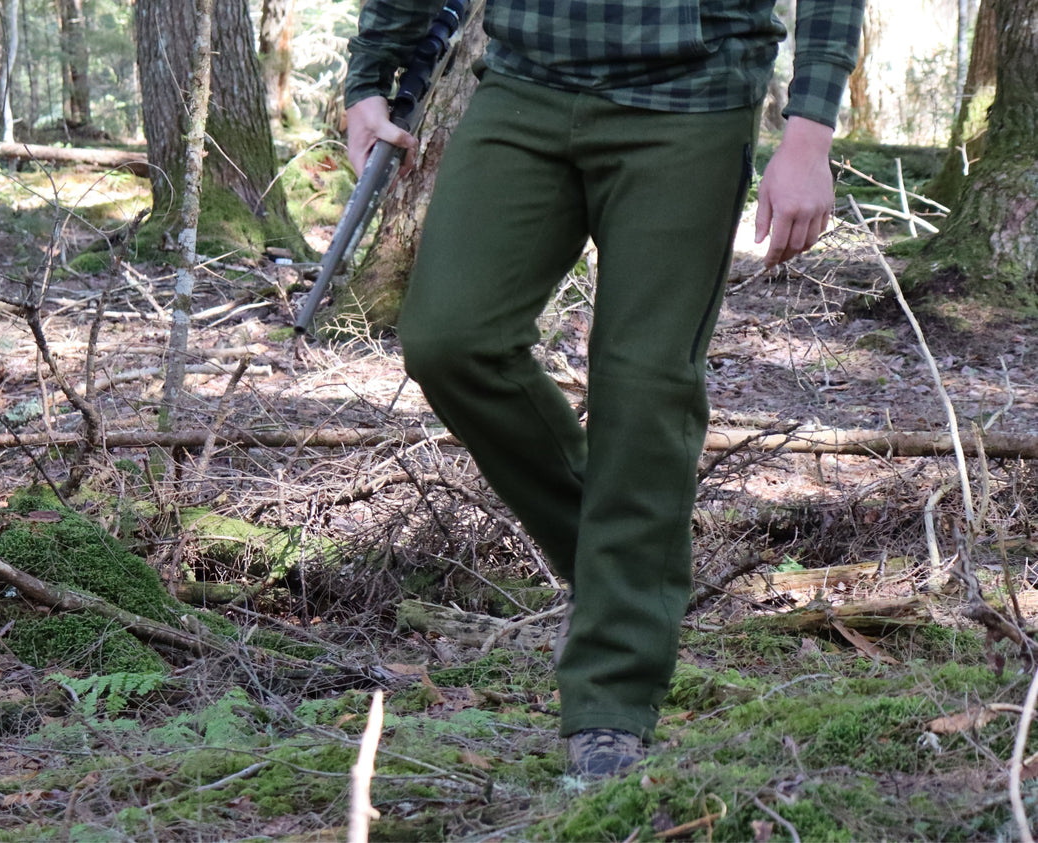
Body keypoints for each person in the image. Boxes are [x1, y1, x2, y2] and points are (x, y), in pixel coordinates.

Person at [344, 0, 864, 778]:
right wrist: (370, 77)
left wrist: (810, 131)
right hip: (526, 81)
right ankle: (626, 581)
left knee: (644, 385)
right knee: (450, 339)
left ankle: (609, 707)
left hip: (693, 95)